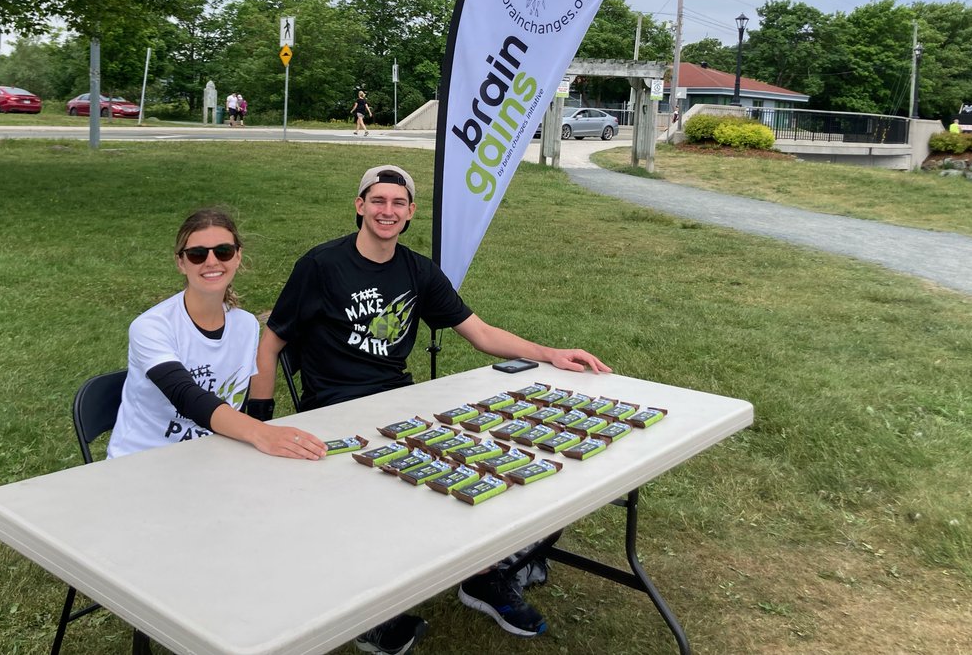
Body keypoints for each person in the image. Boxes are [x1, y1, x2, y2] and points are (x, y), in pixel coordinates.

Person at [249, 166, 611, 655]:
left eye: (398, 203)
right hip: (334, 411)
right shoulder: (321, 265)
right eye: (378, 201)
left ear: (410, 212)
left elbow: (480, 334)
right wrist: (261, 421)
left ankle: (485, 575)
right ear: (359, 205)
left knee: (507, 465)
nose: (387, 211)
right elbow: (270, 342)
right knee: (384, 499)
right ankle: (366, 610)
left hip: (399, 403)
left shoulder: (417, 270)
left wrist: (549, 353)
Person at [107, 207, 325, 461]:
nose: (212, 262)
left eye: (223, 251)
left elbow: (235, 405)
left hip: (209, 459)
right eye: (197, 254)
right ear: (181, 262)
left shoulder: (245, 326)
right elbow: (186, 396)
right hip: (141, 461)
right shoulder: (151, 327)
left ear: (237, 256)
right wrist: (262, 433)